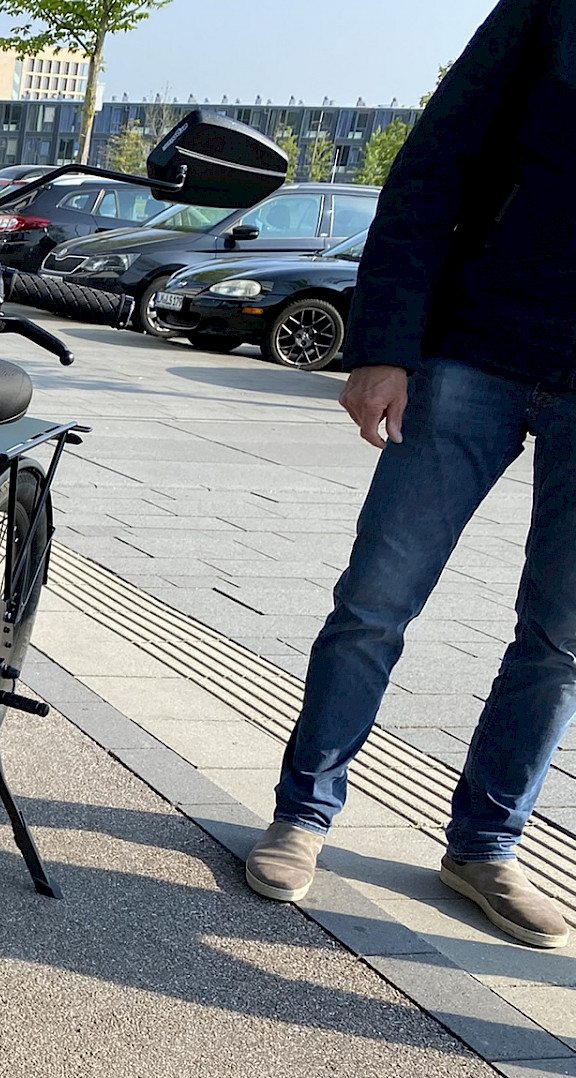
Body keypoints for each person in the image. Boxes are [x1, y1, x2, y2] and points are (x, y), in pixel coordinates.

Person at [243, 0, 576, 949]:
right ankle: (303, 814)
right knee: (377, 600)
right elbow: (434, 165)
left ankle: (485, 846)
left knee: (561, 641)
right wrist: (385, 345)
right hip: (475, 348)